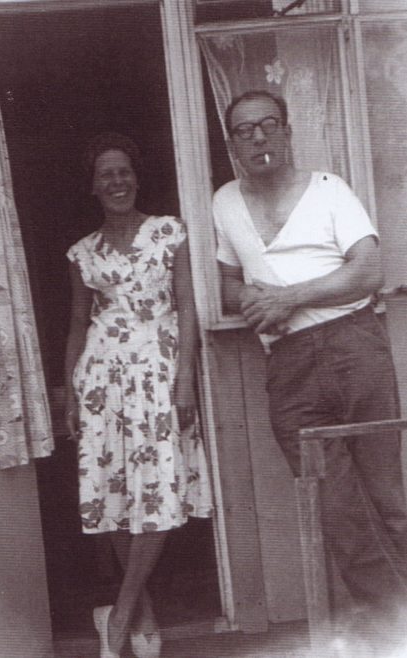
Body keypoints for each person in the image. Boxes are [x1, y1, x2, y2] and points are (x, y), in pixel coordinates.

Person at [212, 89, 407, 649]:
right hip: (289, 364)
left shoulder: (329, 190)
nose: (258, 138)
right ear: (231, 144)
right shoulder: (225, 202)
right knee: (338, 513)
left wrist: (287, 298)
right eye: (244, 130)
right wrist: (248, 297)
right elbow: (227, 279)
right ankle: (395, 628)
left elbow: (369, 271)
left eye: (268, 125)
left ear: (288, 132)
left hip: (355, 348)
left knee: (388, 502)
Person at [65, 132, 213, 658]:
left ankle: (120, 613)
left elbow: (189, 309)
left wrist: (186, 379)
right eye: (106, 174)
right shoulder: (83, 253)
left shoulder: (168, 232)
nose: (117, 181)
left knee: (157, 484)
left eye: (124, 171)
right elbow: (79, 324)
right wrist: (69, 392)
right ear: (93, 187)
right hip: (102, 380)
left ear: (137, 176)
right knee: (112, 486)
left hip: (158, 373)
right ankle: (142, 607)